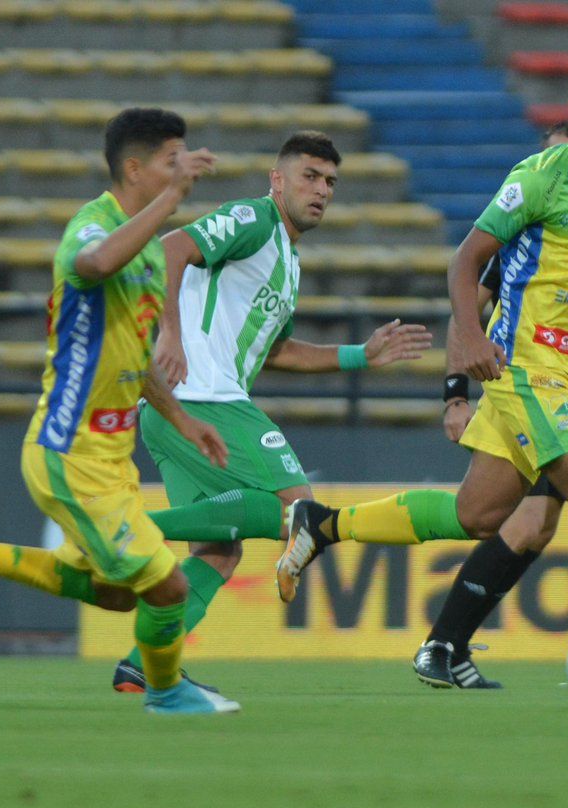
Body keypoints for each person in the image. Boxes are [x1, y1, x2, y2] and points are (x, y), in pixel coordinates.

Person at [277, 57, 568, 693]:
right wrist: (470, 347)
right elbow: (466, 263)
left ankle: (322, 525)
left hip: (565, 372)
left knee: (478, 514)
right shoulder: (540, 176)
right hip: (524, 366)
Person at [0, 108, 241, 714]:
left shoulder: (142, 251)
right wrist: (171, 200)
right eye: (172, 161)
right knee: (167, 585)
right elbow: (92, 265)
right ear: (134, 167)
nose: (183, 171)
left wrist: (183, 420)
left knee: (117, 595)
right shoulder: (92, 229)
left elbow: (134, 354)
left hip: (111, 455)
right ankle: (167, 692)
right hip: (69, 449)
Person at [109, 131, 432, 692]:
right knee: (302, 509)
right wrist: (172, 337)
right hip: (205, 396)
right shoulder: (254, 220)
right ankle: (127, 532)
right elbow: (169, 249)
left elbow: (277, 350)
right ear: (277, 180)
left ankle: (144, 661)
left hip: (174, 409)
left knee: (217, 553)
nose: (322, 190)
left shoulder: (287, 260)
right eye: (309, 176)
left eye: (330, 182)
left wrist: (361, 355)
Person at [425, 119, 568, 690]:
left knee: (491, 517)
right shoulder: (519, 235)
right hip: (527, 381)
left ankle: (439, 641)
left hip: (567, 387)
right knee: (546, 515)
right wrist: (456, 391)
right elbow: (466, 315)